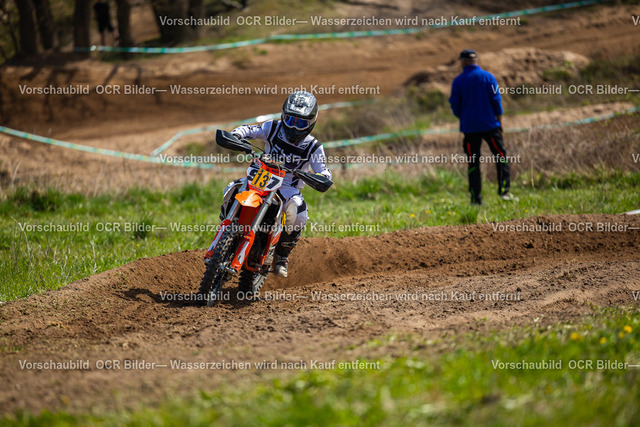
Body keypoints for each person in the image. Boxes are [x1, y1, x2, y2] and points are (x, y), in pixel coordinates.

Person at [212, 91, 333, 278]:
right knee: (232, 188)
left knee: (299, 213)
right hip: (262, 175)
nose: (294, 127)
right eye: (290, 120)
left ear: (311, 123)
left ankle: (282, 256)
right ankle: (227, 224)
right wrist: (236, 135)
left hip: (287, 186)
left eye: (301, 123)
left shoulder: (314, 147)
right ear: (283, 116)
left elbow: (324, 171)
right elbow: (249, 130)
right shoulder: (273, 127)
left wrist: (320, 177)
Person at [449, 49, 517, 205]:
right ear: (475, 61)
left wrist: (463, 117)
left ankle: (475, 198)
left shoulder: (458, 81)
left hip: (469, 128)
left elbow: (454, 104)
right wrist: (499, 120)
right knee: (501, 157)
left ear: (463, 62)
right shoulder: (488, 77)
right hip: (490, 126)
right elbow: (496, 99)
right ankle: (504, 192)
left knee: (473, 162)